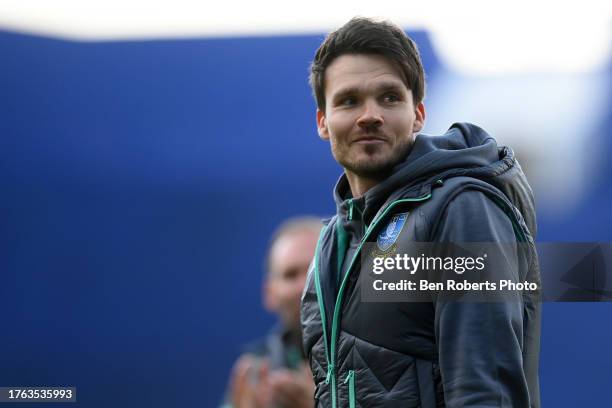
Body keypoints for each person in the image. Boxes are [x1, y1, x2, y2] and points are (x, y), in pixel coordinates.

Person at [300, 17, 541, 407]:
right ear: (323, 122)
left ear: (418, 115)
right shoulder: (333, 241)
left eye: (389, 97)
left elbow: (485, 391)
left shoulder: (462, 208)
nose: (369, 115)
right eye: (349, 100)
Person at [222, 217, 322, 408]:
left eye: (314, 269)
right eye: (290, 274)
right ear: (269, 293)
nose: (304, 286)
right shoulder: (252, 375)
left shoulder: (375, 354)